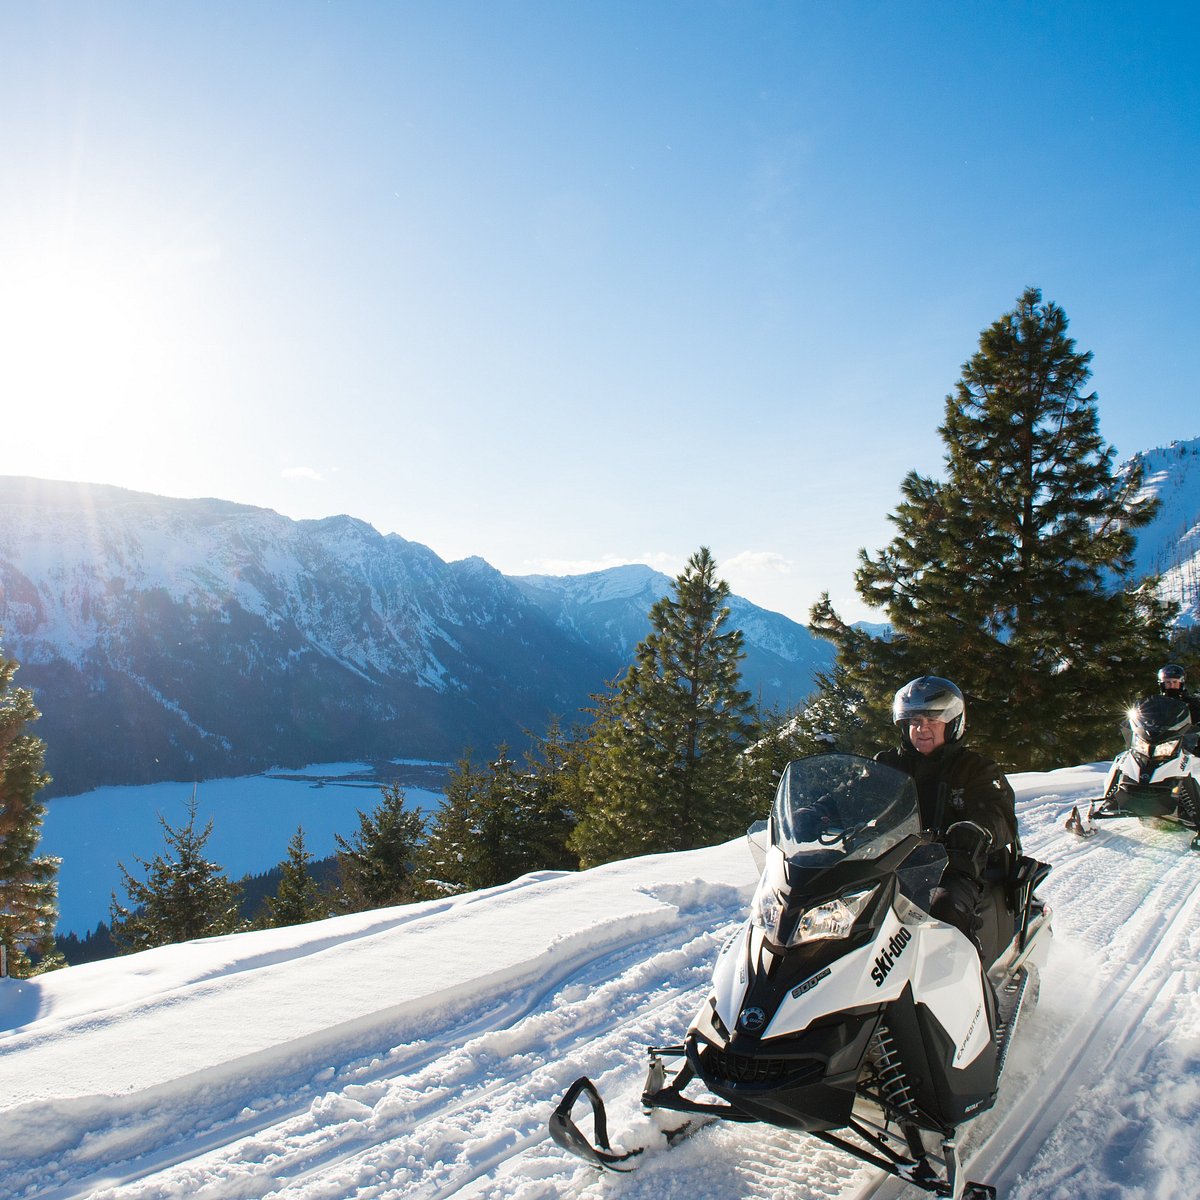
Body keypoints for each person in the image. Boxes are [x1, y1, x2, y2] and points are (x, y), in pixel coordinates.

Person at [875, 676, 1018, 955]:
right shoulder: (888, 765)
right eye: (914, 721)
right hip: (889, 861)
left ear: (953, 723)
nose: (921, 728)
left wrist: (977, 830)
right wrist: (819, 811)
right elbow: (854, 791)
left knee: (944, 910)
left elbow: (998, 812)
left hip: (953, 869)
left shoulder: (976, 769)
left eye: (932, 720)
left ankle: (968, 988)